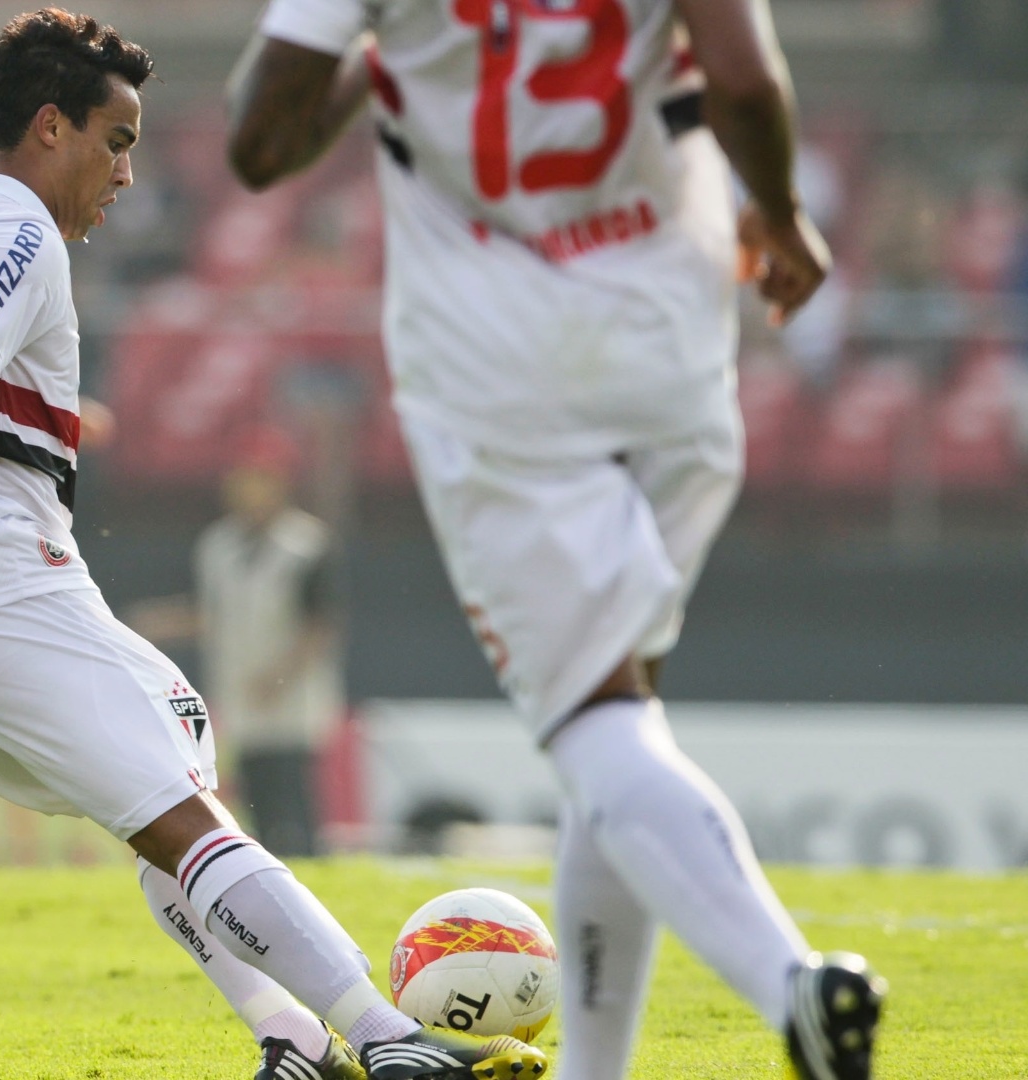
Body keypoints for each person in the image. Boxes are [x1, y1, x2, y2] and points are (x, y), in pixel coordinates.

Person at [0, 10, 544, 1080]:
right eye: (116, 142)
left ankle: (293, 1038)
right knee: (185, 811)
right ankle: (390, 1041)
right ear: (51, 126)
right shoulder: (16, 228)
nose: (125, 175)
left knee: (180, 745)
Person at [225, 1, 884, 1079]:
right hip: (670, 347)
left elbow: (260, 142)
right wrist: (781, 211)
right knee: (620, 722)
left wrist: (386, 50)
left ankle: (792, 983)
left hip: (499, 372)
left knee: (596, 724)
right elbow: (744, 78)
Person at [194, 428, 342, 857]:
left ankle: (307, 861)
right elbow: (215, 615)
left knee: (292, 790)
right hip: (240, 685)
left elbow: (320, 624)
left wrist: (281, 675)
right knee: (254, 788)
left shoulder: (306, 544)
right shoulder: (217, 546)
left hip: (291, 693)